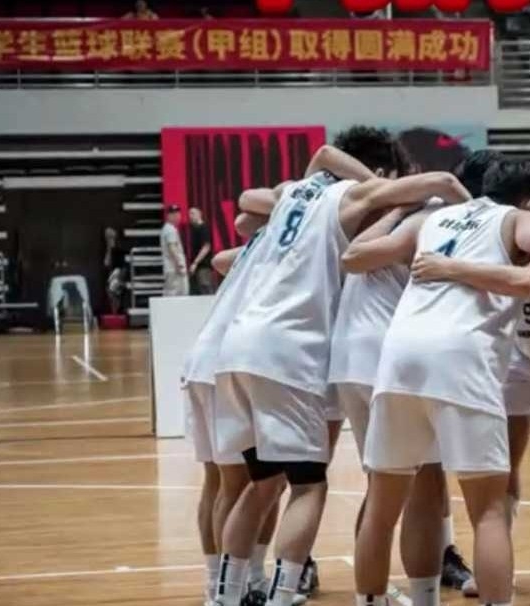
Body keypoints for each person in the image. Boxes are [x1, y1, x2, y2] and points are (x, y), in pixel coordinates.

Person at [342, 160, 530, 606]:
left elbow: (354, 256)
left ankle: (372, 600)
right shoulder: (514, 219)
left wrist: (396, 208)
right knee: (488, 510)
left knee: (382, 507)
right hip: (463, 357)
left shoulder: (432, 219)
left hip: (398, 359)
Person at [211, 146, 468, 606]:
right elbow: (442, 183)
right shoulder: (356, 198)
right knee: (310, 484)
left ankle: (223, 595)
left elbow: (245, 217)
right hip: (290, 347)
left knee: (262, 482)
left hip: (237, 343)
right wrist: (389, 193)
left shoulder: (290, 196)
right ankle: (283, 594)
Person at [326, 129, 471, 603]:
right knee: (421, 485)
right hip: (386, 355)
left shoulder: (352, 211)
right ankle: (422, 592)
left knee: (382, 486)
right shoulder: (430, 212)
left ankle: (372, 594)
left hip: (347, 356)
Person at [183, 210, 278, 606]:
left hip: (201, 359)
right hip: (229, 363)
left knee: (218, 481)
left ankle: (216, 585)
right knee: (259, 481)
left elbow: (223, 257)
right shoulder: (290, 252)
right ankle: (245, 583)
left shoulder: (260, 246)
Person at [161, 205, 189, 297]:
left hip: (172, 268)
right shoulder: (170, 230)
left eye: (178, 214)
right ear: (169, 216)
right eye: (174, 214)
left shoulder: (169, 228)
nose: (177, 216)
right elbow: (172, 248)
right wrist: (179, 264)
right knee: (176, 294)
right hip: (174, 268)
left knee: (174, 293)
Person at [188, 207, 215, 295]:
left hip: (204, 266)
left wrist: (195, 262)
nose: (190, 216)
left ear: (199, 214)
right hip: (198, 267)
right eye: (189, 214)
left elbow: (206, 247)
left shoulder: (203, 228)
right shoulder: (194, 229)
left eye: (193, 213)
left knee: (206, 289)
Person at [102, 226, 128, 314]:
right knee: (111, 293)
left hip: (117, 274)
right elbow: (106, 263)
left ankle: (116, 312)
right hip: (112, 275)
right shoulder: (108, 251)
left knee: (115, 293)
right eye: (108, 237)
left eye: (111, 237)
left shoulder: (119, 251)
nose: (110, 239)